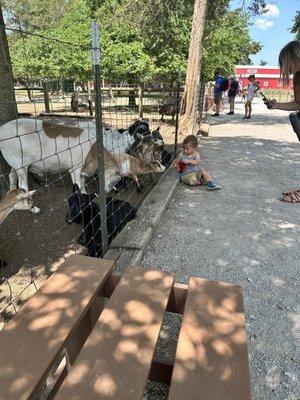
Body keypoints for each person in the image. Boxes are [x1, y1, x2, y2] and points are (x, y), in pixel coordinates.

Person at [266, 40, 300, 202]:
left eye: (283, 62)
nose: (282, 67)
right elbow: (298, 104)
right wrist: (277, 105)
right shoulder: (298, 78)